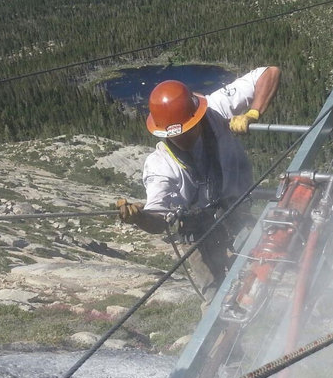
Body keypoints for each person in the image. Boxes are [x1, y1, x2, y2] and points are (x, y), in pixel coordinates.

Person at [117, 65, 281, 299]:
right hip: (197, 231)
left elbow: (269, 73)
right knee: (215, 296)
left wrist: (253, 113)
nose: (182, 138)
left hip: (235, 207)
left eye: (187, 130)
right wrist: (139, 218)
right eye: (174, 134)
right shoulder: (161, 167)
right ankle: (220, 332)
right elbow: (159, 219)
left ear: (198, 116)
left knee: (261, 270)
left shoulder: (215, 110)